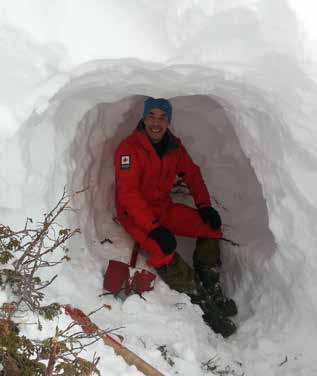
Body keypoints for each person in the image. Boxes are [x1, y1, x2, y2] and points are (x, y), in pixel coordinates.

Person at [114, 97, 237, 337]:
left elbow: (192, 173)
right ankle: (202, 302)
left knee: (210, 228)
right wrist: (154, 228)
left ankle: (211, 287)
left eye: (162, 118)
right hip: (136, 215)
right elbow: (127, 194)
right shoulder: (128, 149)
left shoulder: (173, 146)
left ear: (168, 121)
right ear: (144, 118)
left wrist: (204, 206)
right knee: (163, 249)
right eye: (152, 116)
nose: (156, 123)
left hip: (163, 207)